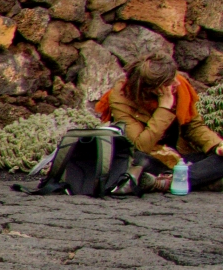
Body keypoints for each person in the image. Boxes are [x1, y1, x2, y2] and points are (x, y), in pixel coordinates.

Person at [95, 53, 223, 192]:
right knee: (138, 161)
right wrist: (164, 108)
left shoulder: (178, 85)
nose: (177, 83)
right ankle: (189, 180)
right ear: (152, 88)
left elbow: (193, 126)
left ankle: (168, 181)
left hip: (178, 157)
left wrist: (216, 145)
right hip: (151, 157)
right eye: (169, 83)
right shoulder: (121, 97)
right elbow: (141, 145)